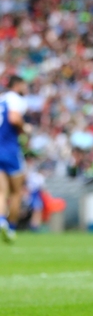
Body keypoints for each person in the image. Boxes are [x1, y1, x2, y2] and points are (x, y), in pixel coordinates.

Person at [0, 75, 30, 243]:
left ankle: (1, 220)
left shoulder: (2, 99)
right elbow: (14, 118)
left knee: (2, 192)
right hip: (10, 151)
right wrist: (25, 128)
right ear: (17, 85)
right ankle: (10, 229)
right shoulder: (15, 99)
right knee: (17, 192)